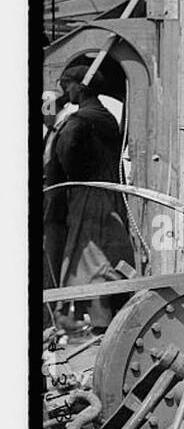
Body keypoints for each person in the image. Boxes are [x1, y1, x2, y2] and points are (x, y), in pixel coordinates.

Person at [44, 62, 135, 328]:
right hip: (105, 196)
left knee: (92, 260)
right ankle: (97, 321)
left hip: (87, 197)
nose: (65, 92)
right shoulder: (102, 116)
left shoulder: (80, 120)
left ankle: (99, 323)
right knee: (100, 259)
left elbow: (66, 149)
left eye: (67, 86)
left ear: (80, 86)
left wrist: (70, 174)